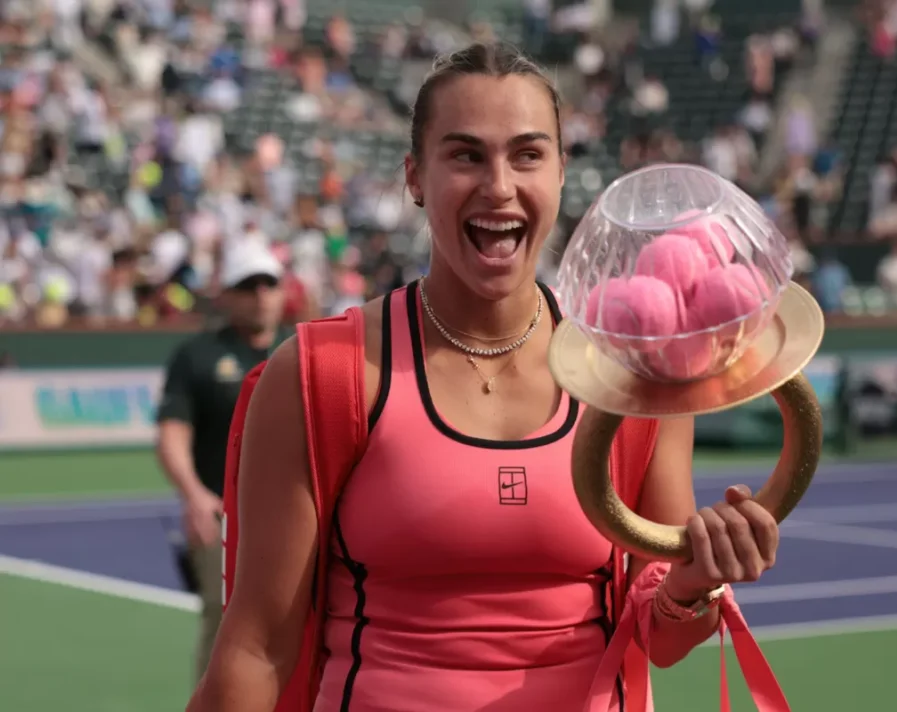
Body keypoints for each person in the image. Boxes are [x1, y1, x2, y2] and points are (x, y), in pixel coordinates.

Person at [189, 42, 781, 712]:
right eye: (466, 155)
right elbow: (257, 651)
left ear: (562, 172)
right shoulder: (322, 375)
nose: (499, 186)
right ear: (415, 177)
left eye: (528, 155)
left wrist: (694, 583)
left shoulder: (639, 371)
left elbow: (664, 637)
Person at [156, 240, 288, 682]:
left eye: (268, 284)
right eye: (248, 286)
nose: (261, 295)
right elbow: (172, 433)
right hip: (221, 513)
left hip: (296, 514)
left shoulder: (303, 347)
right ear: (227, 294)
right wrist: (193, 495)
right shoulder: (198, 355)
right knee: (225, 622)